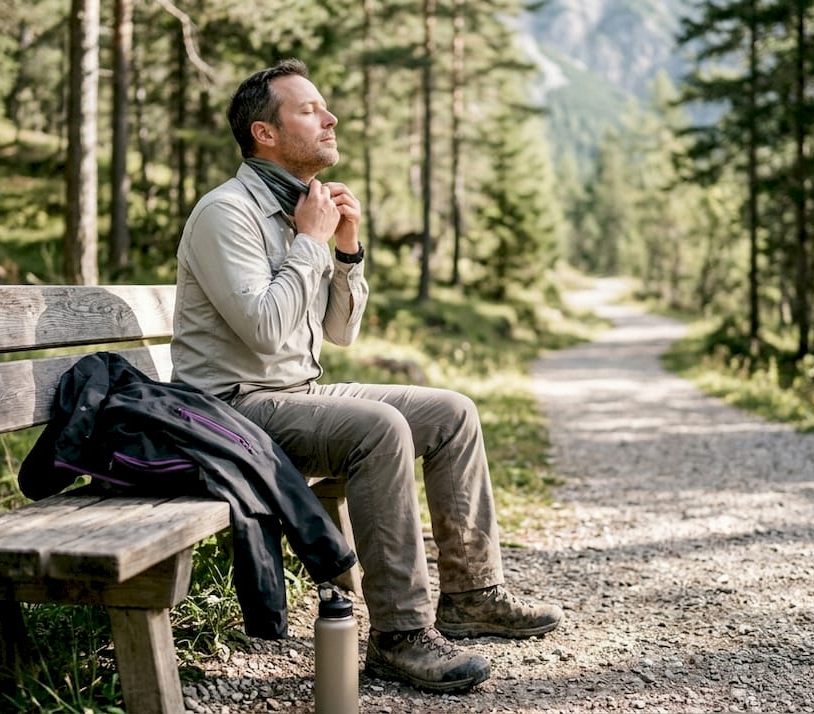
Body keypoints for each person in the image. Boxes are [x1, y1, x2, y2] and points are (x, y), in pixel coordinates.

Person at [168, 58, 562, 694]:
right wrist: (311, 243)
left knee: (452, 411)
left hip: (294, 392)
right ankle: (399, 634)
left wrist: (345, 249)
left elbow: (340, 333)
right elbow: (265, 331)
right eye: (309, 110)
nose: (330, 119)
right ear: (264, 134)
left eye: (325, 108)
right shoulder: (226, 213)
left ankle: (470, 593)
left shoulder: (305, 207)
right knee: (378, 428)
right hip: (230, 409)